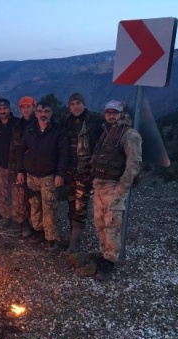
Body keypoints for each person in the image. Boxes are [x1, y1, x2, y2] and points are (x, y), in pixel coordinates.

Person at [91, 100, 142, 281]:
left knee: (112, 224)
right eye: (108, 112)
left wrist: (122, 186)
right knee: (99, 222)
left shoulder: (129, 134)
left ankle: (110, 262)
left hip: (114, 186)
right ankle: (105, 253)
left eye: (115, 112)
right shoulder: (107, 132)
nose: (111, 115)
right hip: (100, 186)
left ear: (122, 113)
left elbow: (134, 163)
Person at [16, 101, 69, 253]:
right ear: (36, 113)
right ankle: (38, 231)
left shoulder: (58, 130)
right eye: (40, 111)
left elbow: (64, 153)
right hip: (31, 174)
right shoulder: (30, 129)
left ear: (51, 113)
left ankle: (51, 239)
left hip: (49, 175)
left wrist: (60, 174)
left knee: (49, 207)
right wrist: (20, 171)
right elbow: (21, 150)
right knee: (35, 205)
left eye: (46, 111)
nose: (43, 114)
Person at [62, 92, 103, 254]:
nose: (75, 106)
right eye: (72, 104)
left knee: (81, 206)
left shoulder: (95, 120)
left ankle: (75, 243)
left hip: (86, 172)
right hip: (69, 171)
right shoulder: (66, 121)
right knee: (71, 203)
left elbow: (107, 140)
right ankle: (72, 236)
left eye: (78, 103)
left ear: (84, 104)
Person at [8, 96, 36, 236]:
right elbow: (14, 150)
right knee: (20, 197)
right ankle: (23, 223)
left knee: (35, 198)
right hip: (20, 167)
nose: (26, 109)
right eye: (23, 107)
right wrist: (15, 170)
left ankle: (37, 227)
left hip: (36, 168)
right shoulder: (17, 126)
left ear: (34, 107)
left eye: (28, 106)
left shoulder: (39, 124)